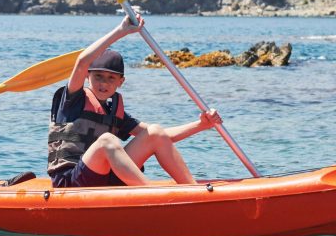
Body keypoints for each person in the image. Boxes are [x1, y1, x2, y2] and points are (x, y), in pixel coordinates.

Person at [47, 15, 222, 188]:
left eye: (111, 78)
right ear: (87, 76)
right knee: (108, 140)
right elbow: (82, 62)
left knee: (155, 131)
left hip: (104, 177)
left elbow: (163, 137)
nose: (104, 83)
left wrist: (201, 125)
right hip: (71, 181)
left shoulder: (114, 112)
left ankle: (193, 190)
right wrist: (121, 31)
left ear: (120, 82)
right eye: (98, 76)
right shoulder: (73, 99)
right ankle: (152, 193)